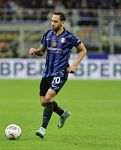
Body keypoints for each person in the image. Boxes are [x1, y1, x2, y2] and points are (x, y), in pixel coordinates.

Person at [29, 11, 87, 139]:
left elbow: (83, 50)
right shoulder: (47, 34)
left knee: (49, 97)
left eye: (55, 21)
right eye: (52, 20)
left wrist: (75, 65)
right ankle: (62, 113)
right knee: (44, 102)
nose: (52, 23)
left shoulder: (70, 37)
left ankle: (42, 129)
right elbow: (41, 51)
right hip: (47, 72)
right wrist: (35, 51)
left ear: (62, 23)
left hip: (61, 72)